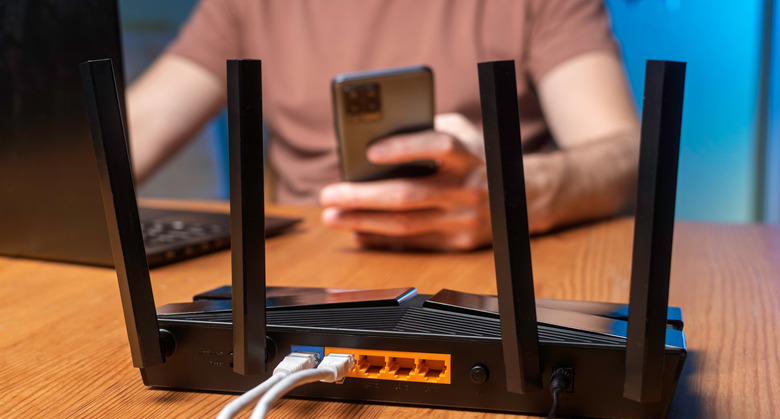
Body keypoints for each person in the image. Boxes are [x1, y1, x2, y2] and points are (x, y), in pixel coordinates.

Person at [127, 0, 640, 252]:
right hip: (305, 271)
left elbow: (627, 156)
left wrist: (517, 193)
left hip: (491, 266)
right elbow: (138, 125)